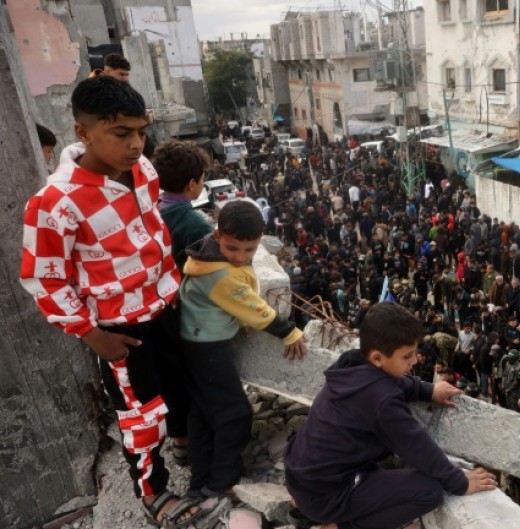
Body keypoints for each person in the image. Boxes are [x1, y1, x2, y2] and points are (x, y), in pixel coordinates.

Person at [19, 76, 205, 527]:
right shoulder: (55, 202)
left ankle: (183, 441)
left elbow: (153, 235)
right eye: (122, 133)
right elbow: (43, 279)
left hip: (166, 305)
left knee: (180, 384)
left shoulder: (144, 172)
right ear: (83, 132)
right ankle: (152, 492)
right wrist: (91, 334)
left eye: (141, 132)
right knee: (141, 415)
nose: (136, 144)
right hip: (121, 327)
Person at [284, 302, 497, 529]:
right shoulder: (381, 400)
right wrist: (459, 481)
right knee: (429, 493)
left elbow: (389, 380)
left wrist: (427, 390)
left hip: (302, 476)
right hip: (328, 494)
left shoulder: (353, 363)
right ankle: (340, 526)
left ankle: (308, 502)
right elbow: (416, 445)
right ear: (377, 358)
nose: (414, 361)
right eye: (407, 356)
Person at [179, 201, 307, 497]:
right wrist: (289, 332)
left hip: (196, 342)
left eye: (249, 251)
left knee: (202, 413)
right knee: (234, 414)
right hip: (208, 349)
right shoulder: (221, 274)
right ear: (217, 234)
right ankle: (222, 481)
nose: (241, 257)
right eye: (233, 248)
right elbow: (254, 307)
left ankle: (200, 481)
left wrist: (236, 317)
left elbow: (234, 302)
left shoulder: (208, 255)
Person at [152, 140, 213, 271]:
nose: (203, 183)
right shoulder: (197, 226)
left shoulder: (150, 210)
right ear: (192, 184)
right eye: (202, 178)